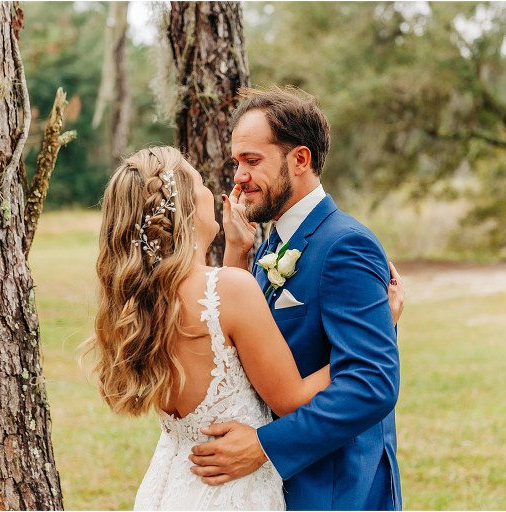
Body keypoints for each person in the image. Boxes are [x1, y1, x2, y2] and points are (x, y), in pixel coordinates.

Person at [82, 146, 404, 510]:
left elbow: (225, 342)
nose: (226, 183)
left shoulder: (147, 297)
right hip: (230, 492)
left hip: (172, 487)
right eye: (201, 183)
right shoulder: (229, 290)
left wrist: (237, 251)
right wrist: (381, 327)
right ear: (185, 204)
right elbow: (291, 397)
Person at [189, 86, 403, 511]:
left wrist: (264, 446)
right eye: (236, 162)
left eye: (252, 161)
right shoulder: (271, 246)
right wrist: (239, 253)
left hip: (335, 486)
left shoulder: (346, 245)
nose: (238, 176)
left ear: (299, 160)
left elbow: (372, 383)